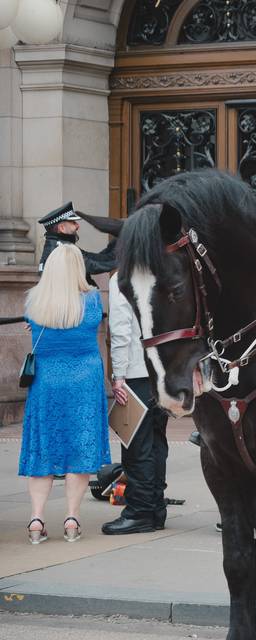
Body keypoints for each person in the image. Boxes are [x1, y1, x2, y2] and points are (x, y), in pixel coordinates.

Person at [19, 244, 111, 543]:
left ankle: (36, 519)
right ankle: (72, 518)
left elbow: (35, 328)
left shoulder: (34, 301)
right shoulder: (92, 301)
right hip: (83, 381)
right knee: (79, 449)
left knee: (43, 450)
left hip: (46, 382)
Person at [102, 273, 171, 534]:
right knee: (156, 442)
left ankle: (140, 511)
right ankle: (155, 509)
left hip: (135, 372)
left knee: (136, 446)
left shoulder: (124, 277)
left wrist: (118, 374)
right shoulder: (160, 271)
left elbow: (121, 331)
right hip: (161, 371)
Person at [37, 202, 116, 282]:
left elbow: (95, 258)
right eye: (73, 223)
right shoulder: (61, 249)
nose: (78, 226)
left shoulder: (60, 244)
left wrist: (115, 244)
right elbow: (91, 266)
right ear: (62, 228)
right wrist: (121, 263)